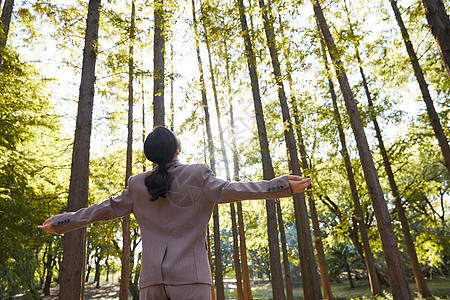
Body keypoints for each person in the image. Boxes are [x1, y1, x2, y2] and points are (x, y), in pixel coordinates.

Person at [39, 126, 312, 300]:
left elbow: (102, 209)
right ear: (178, 150)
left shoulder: (137, 184)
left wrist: (63, 221)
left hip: (151, 284)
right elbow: (238, 189)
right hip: (191, 280)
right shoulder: (198, 174)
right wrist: (281, 185)